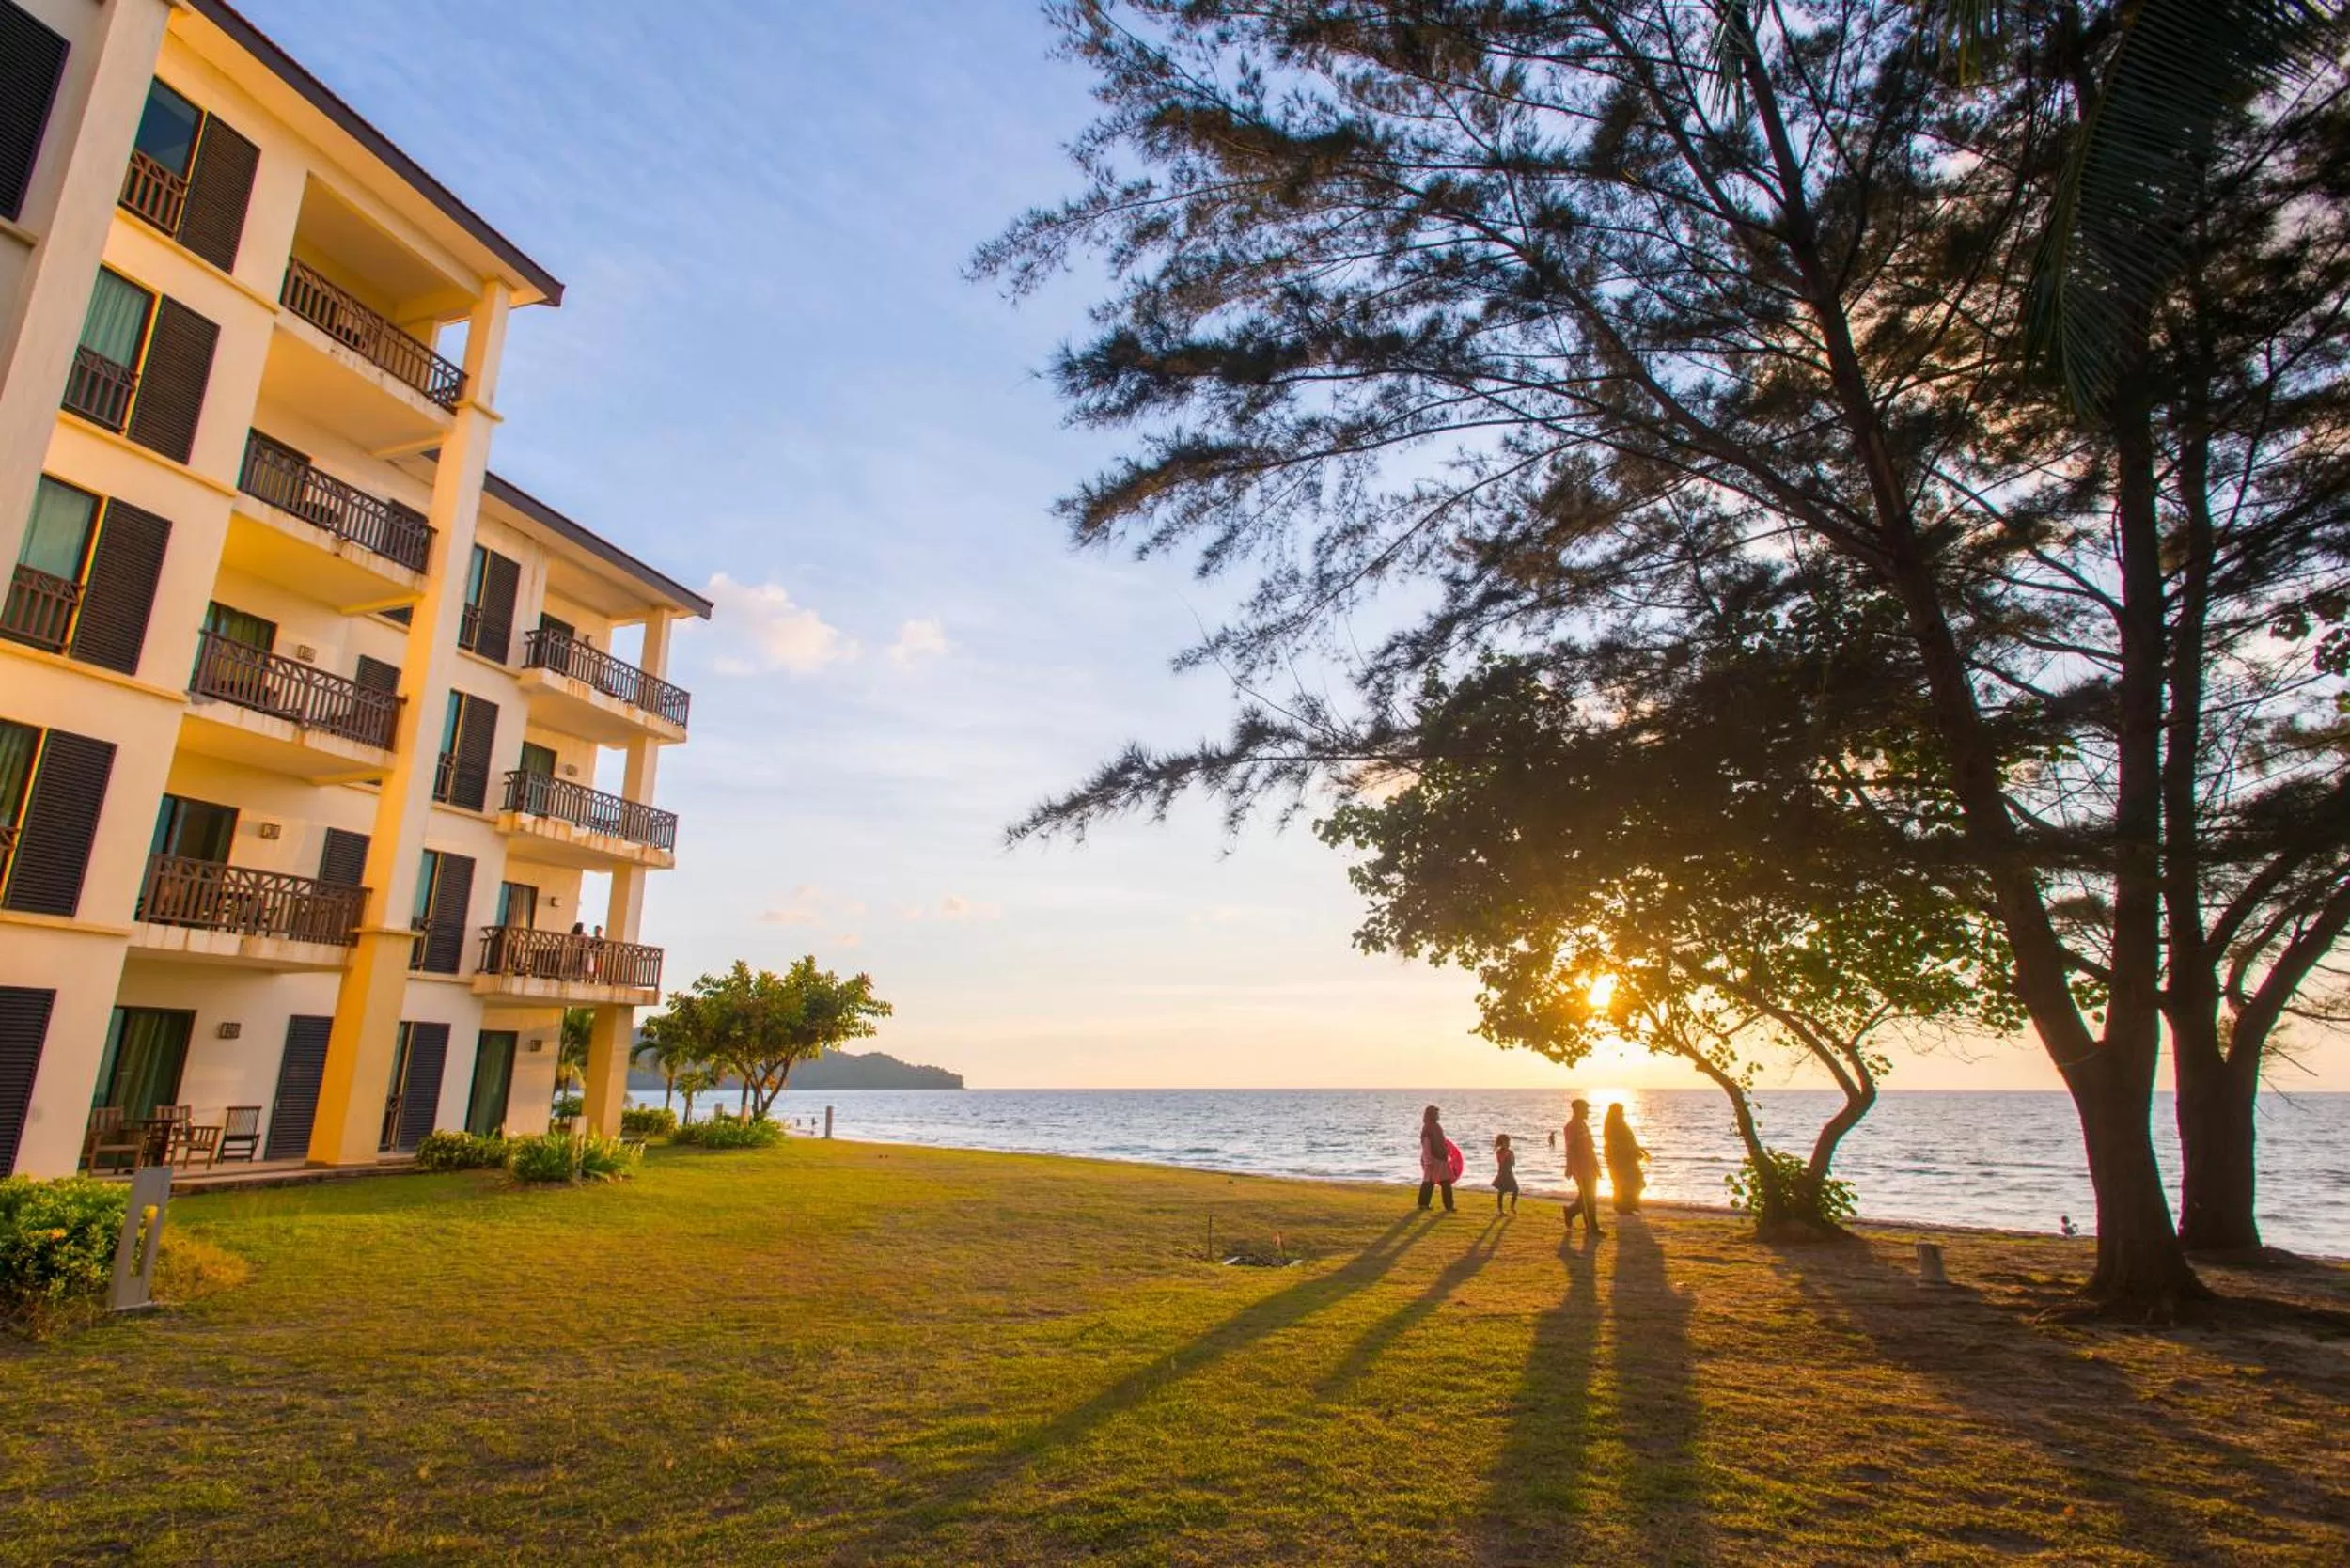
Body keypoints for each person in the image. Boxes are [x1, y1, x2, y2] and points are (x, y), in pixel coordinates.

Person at [1563, 1099, 1603, 1238]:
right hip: (1581, 1167)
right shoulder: (1571, 1127)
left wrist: (1596, 1165)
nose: (1588, 1112)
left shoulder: (1583, 1124)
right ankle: (1593, 1227)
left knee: (1585, 1197)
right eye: (1586, 1109)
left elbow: (1590, 1147)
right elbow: (1570, 1149)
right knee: (1589, 1198)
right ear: (1578, 1110)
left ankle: (1570, 1212)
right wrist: (1570, 1167)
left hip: (1590, 1165)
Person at [1603, 1103, 1647, 1214]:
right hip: (1620, 1160)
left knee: (1633, 1182)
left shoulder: (1619, 1123)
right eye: (1620, 1111)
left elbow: (1629, 1141)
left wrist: (1637, 1150)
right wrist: (1633, 1152)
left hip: (1626, 1159)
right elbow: (1619, 1144)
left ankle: (1630, 1204)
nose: (1622, 1113)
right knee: (1624, 1183)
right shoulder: (1614, 1125)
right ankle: (1623, 1206)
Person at [1417, 1105, 1455, 1213]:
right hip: (1434, 1159)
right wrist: (1428, 1161)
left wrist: (1446, 1150)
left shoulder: (1435, 1126)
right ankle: (1426, 1204)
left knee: (1437, 1182)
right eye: (1436, 1113)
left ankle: (1426, 1204)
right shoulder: (1429, 1127)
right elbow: (1426, 1144)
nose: (1438, 1115)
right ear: (1432, 1114)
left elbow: (1440, 1142)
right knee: (1435, 1182)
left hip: (1439, 1158)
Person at [1492, 1133, 1520, 1215]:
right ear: (1502, 1143)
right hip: (1502, 1174)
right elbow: (1500, 1161)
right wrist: (1505, 1155)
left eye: (1509, 1142)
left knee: (1516, 1189)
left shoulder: (1510, 1151)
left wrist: (1512, 1157)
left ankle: (1512, 1207)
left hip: (1509, 1173)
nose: (1508, 1144)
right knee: (1501, 1191)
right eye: (1506, 1142)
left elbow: (1513, 1163)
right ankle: (1500, 1210)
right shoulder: (1499, 1152)